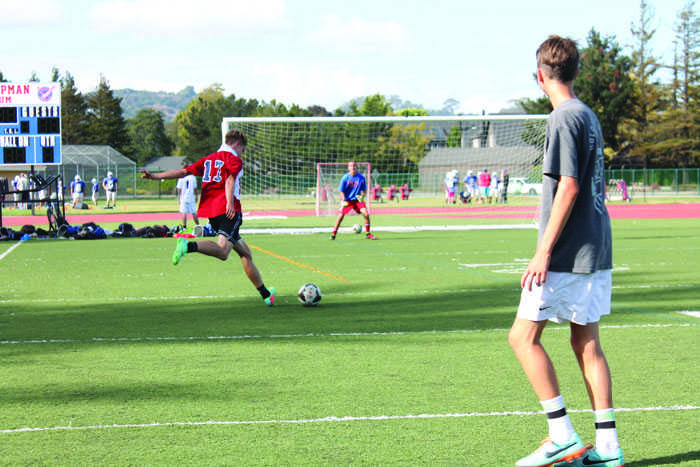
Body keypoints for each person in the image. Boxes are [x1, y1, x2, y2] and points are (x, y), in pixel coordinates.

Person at [508, 35, 622, 467]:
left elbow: (569, 185)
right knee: (587, 343)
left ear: (540, 76)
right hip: (596, 246)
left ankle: (561, 435)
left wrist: (543, 251)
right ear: (576, 72)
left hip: (569, 253)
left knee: (522, 337)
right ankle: (608, 448)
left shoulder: (561, 118)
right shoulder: (588, 115)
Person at [140, 129, 275, 307]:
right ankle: (188, 246)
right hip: (228, 212)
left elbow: (182, 172)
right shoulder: (234, 159)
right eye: (242, 148)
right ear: (236, 144)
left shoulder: (208, 159)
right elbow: (229, 180)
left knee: (245, 253)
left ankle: (266, 295)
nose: (242, 152)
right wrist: (229, 203)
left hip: (211, 212)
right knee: (223, 251)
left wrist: (155, 176)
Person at [330, 161, 376, 240]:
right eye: (351, 166)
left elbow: (364, 190)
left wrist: (362, 197)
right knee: (340, 217)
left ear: (356, 167)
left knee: (366, 214)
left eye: (354, 166)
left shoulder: (361, 177)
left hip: (358, 198)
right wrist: (344, 200)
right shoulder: (345, 178)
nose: (353, 167)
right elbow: (341, 191)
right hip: (347, 199)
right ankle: (333, 235)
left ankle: (368, 234)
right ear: (348, 168)